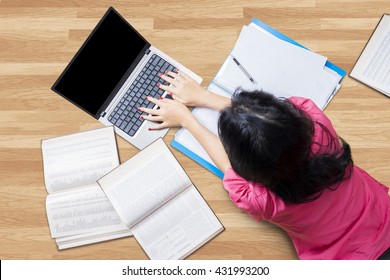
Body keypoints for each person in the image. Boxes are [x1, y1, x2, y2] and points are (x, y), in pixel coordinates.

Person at [139, 70, 390, 260]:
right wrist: (205, 98)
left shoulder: (257, 198)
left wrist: (187, 120)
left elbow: (228, 167)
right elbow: (278, 117)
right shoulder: (315, 121)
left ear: (247, 169)